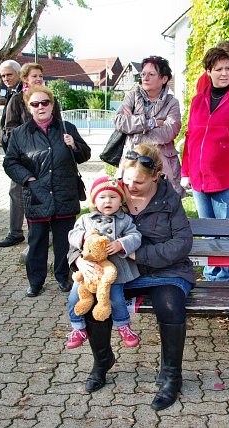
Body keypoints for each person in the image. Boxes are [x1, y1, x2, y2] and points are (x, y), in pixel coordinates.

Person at [79, 144, 194, 412]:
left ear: (155, 176)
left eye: (139, 182)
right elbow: (83, 230)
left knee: (171, 305)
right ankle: (102, 360)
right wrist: (80, 259)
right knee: (94, 300)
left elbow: (182, 243)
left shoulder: (169, 199)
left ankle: (171, 375)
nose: (130, 186)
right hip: (119, 273)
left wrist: (136, 254)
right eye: (126, 179)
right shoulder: (112, 192)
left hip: (164, 272)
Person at [180, 47, 229, 282]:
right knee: (208, 235)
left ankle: (225, 283)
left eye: (228, 68)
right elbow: (191, 138)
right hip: (199, 180)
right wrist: (186, 172)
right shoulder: (198, 100)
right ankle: (210, 278)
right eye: (218, 69)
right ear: (208, 71)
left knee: (226, 235)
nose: (224, 73)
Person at [3, 85, 91, 297]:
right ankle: (35, 281)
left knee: (64, 241)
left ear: (52, 105)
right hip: (37, 194)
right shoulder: (20, 133)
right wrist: (29, 179)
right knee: (37, 241)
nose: (41, 107)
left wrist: (74, 145)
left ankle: (63, 277)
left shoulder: (67, 128)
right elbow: (10, 162)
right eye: (35, 103)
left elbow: (84, 155)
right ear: (29, 107)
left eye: (45, 102)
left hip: (64, 192)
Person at [66, 176, 142, 350]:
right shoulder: (85, 219)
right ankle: (77, 327)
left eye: (113, 197)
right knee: (74, 296)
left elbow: (136, 236)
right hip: (89, 271)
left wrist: (120, 244)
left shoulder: (125, 220)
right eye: (102, 197)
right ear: (94, 201)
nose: (107, 201)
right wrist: (84, 237)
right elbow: (72, 235)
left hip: (114, 270)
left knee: (116, 297)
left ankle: (123, 325)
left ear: (121, 201)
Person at [114, 56, 184, 197]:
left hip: (162, 165)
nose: (145, 78)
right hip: (132, 162)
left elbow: (169, 133)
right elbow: (119, 122)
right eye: (143, 74)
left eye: (151, 74)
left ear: (164, 79)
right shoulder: (132, 96)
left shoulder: (172, 103)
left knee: (163, 203)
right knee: (131, 202)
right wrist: (152, 123)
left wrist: (135, 128)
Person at [0, 60, 27, 248]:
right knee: (17, 193)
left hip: (24, 154)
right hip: (15, 153)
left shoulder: (23, 93)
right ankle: (16, 232)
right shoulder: (11, 92)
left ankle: (17, 232)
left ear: (19, 74)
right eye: (3, 76)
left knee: (17, 193)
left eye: (9, 74)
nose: (6, 78)